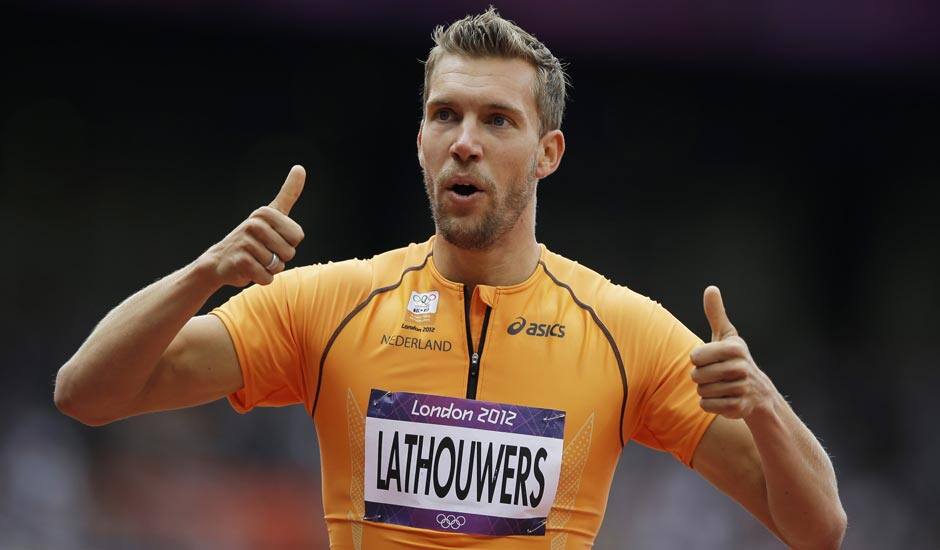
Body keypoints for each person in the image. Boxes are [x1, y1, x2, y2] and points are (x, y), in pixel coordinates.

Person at [54, 8, 846, 549]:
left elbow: (817, 529)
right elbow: (88, 394)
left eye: (497, 120)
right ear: (422, 140)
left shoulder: (622, 331)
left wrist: (765, 405)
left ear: (547, 153)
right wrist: (203, 274)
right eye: (446, 115)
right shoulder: (327, 306)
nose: (465, 141)